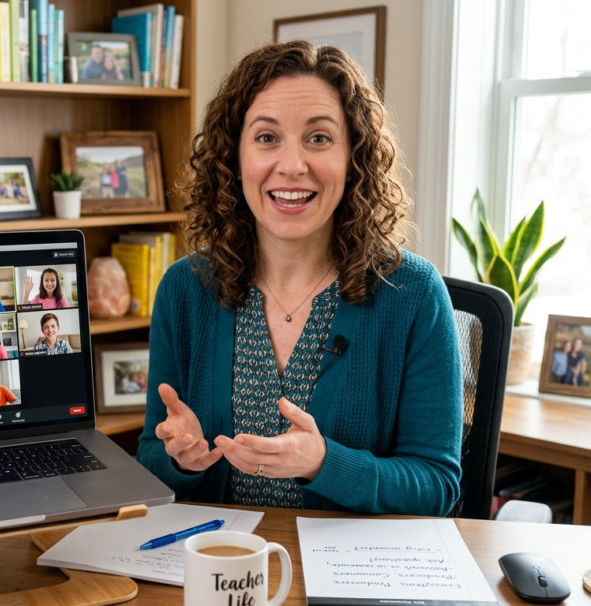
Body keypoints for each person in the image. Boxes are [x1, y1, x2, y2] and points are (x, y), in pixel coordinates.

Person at [136, 40, 463, 517]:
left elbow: (437, 485)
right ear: (235, 155)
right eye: (267, 138)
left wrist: (325, 463)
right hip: (217, 565)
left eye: (319, 138)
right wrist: (178, 459)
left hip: (349, 574)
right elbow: (150, 461)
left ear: (354, 157)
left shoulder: (412, 294)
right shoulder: (185, 289)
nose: (292, 166)